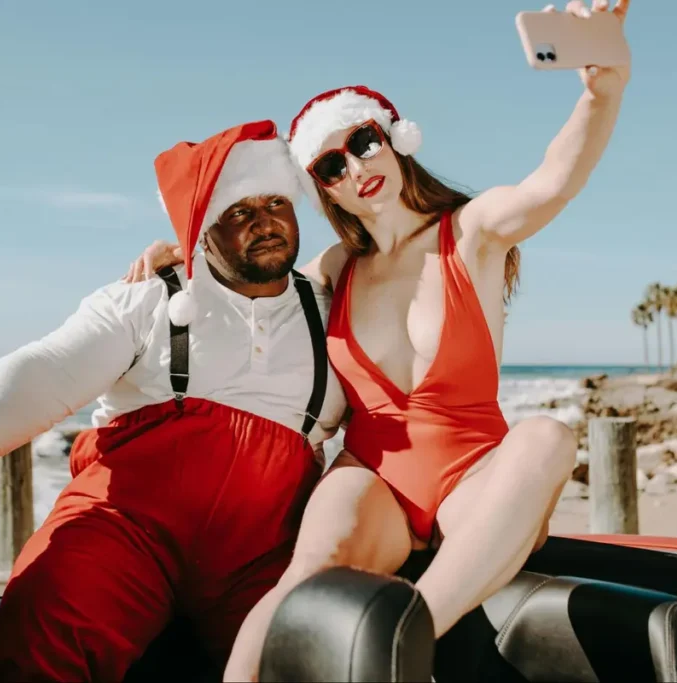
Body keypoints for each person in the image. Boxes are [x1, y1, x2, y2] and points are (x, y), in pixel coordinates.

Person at [124, 2, 631, 679]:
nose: (356, 166)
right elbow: (246, 289)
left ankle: (404, 636)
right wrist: (179, 260)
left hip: (473, 477)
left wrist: (602, 92)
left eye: (363, 141)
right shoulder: (336, 269)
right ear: (325, 191)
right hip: (373, 479)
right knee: (304, 577)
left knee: (547, 438)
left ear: (393, 138)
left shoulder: (471, 232)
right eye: (330, 165)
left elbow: (555, 179)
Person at [0, 119, 348, 682]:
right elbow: (40, 374)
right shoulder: (148, 298)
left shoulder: (335, 317)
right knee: (44, 622)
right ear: (201, 230)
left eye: (276, 203)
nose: (264, 221)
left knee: (309, 656)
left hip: (263, 554)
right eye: (238, 211)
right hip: (123, 530)